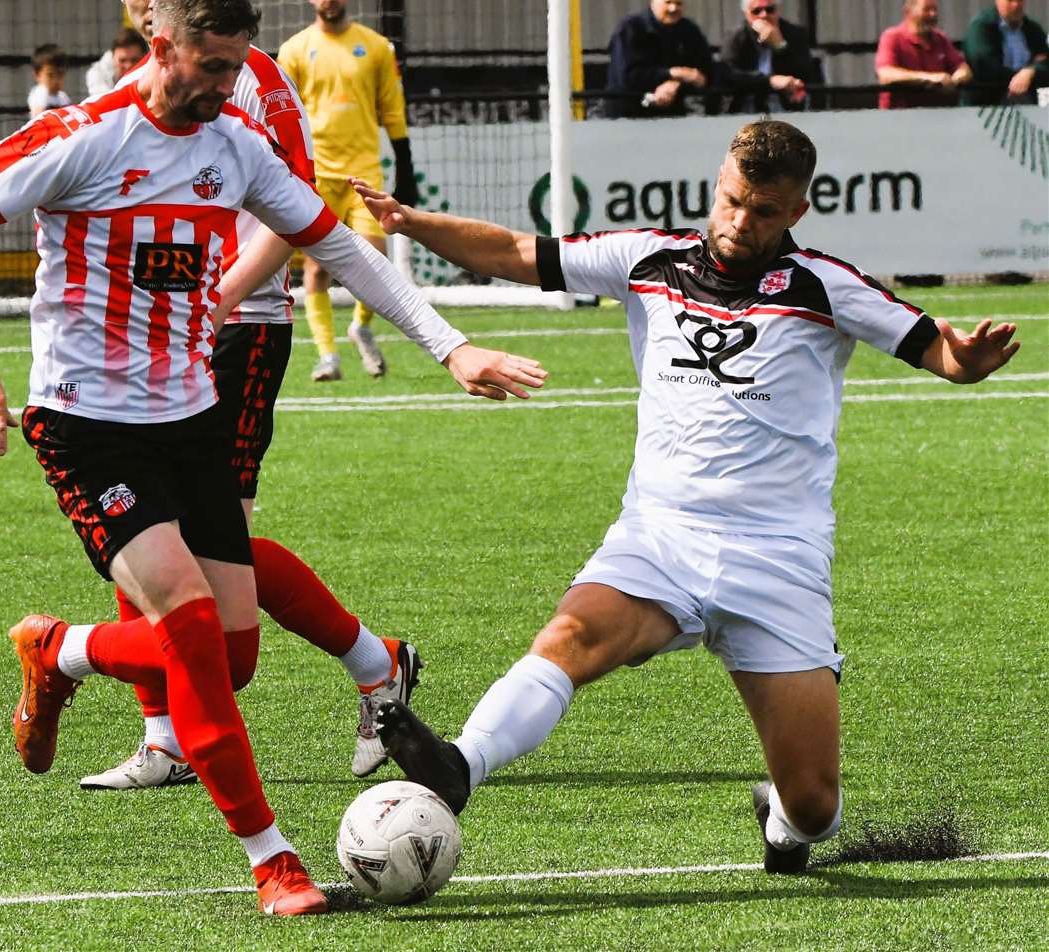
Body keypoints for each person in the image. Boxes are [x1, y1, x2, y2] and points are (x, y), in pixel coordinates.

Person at [0, 0, 542, 914]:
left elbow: (337, 245)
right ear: (158, 44)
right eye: (208, 66)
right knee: (196, 632)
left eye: (232, 68)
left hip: (189, 416)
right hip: (85, 423)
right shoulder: (86, 135)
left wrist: (450, 348)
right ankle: (271, 860)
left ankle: (62, 649)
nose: (221, 86)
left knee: (231, 659)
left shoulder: (235, 143)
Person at [347, 119, 1021, 875]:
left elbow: (939, 351)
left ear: (796, 212)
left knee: (816, 804)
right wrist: (412, 222)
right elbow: (515, 254)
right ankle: (460, 765)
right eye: (731, 201)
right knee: (570, 638)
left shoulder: (825, 287)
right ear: (717, 185)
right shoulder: (648, 259)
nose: (739, 222)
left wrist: (966, 360)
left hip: (779, 558)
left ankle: (783, 829)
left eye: (763, 211)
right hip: (661, 536)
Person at [85, 0, 519, 792]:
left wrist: (220, 298)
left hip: (239, 334)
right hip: (155, 349)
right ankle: (167, 733)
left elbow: (299, 221)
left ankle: (371, 661)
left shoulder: (246, 80)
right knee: (145, 538)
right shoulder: (122, 85)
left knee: (218, 545)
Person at [276, 0, 420, 382]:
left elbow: (391, 107)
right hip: (316, 174)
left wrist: (405, 161)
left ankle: (360, 327)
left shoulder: (375, 47)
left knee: (374, 259)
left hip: (363, 171)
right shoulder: (295, 50)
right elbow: (282, 114)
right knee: (317, 267)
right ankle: (327, 355)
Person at [604, 0, 716, 119]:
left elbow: (705, 71)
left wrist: (675, 83)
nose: (673, 8)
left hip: (672, 117)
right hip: (628, 117)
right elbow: (628, 77)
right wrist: (675, 73)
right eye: (668, 2)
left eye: (679, 3)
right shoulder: (630, 29)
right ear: (653, 2)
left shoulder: (689, 30)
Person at [720, 0, 818, 114]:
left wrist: (780, 46)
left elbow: (806, 72)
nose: (764, 15)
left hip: (786, 106)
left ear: (778, 10)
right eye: (756, 11)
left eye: (770, 9)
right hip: (745, 105)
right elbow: (728, 73)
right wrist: (769, 81)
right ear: (746, 14)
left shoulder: (794, 33)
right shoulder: (735, 37)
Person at [875, 0, 972, 109]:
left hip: (937, 117)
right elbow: (886, 74)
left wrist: (956, 79)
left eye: (934, 9)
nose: (933, 14)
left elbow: (962, 68)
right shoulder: (892, 37)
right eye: (926, 10)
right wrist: (930, 78)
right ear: (907, 11)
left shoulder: (940, 38)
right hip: (899, 119)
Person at [962, 0, 1049, 104]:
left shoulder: (1033, 29)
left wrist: (1030, 72)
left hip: (1027, 103)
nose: (1016, 5)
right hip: (986, 105)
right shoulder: (981, 27)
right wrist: (1020, 77)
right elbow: (984, 67)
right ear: (997, 0)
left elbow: (1046, 63)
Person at [85, 27, 148, 98]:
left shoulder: (155, 71)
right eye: (122, 60)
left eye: (134, 60)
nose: (128, 66)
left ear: (145, 58)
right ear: (112, 58)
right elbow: (105, 103)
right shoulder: (97, 74)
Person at [26, 43, 70, 117]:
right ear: (37, 75)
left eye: (60, 74)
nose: (55, 80)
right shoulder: (40, 93)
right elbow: (37, 118)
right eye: (50, 75)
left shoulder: (63, 97)